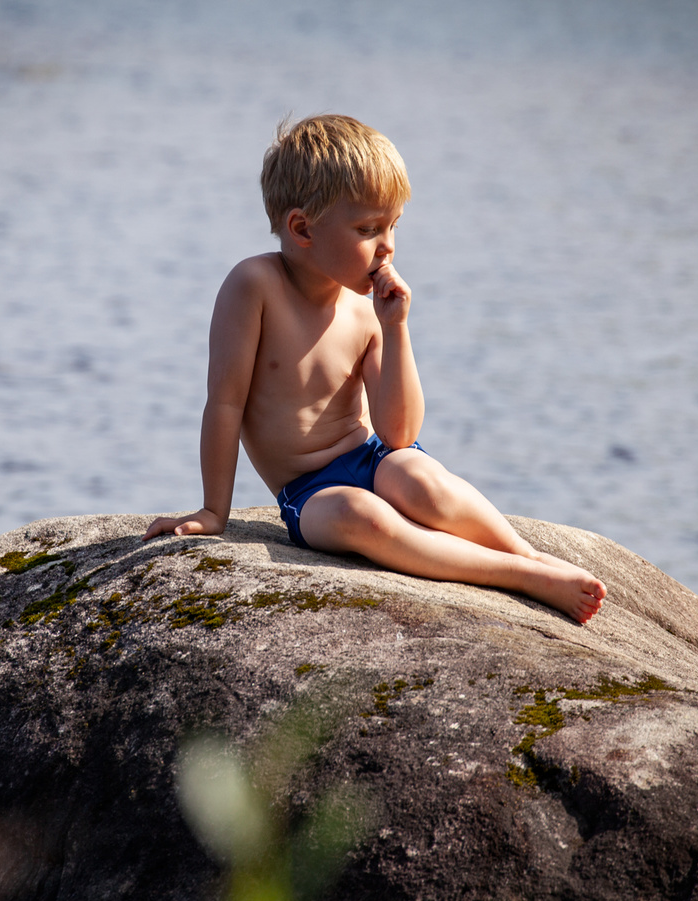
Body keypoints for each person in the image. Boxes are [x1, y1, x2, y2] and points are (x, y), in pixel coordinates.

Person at [143, 114, 606, 624]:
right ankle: (519, 576)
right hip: (311, 492)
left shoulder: (366, 309)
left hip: (374, 456)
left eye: (393, 226)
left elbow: (400, 433)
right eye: (368, 229)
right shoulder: (255, 286)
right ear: (302, 229)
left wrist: (397, 327)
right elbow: (225, 403)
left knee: (424, 482)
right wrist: (213, 511)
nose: (387, 245)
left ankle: (529, 556)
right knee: (363, 518)